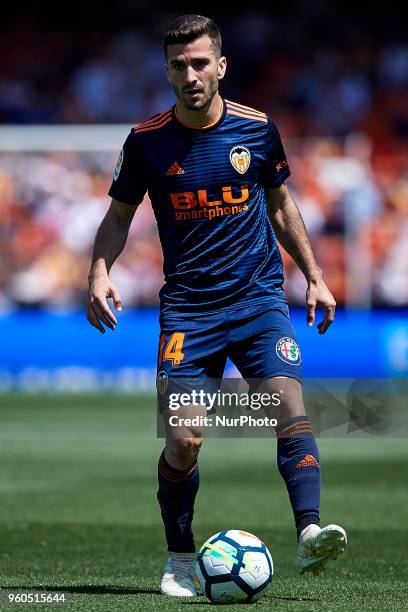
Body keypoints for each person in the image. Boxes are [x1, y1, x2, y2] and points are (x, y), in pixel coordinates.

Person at [86, 14, 347, 597]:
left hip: (259, 301)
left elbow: (281, 206)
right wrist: (100, 269)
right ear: (167, 71)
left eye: (200, 62)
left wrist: (316, 276)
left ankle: (309, 532)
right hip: (188, 312)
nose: (190, 74)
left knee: (288, 408)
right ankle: (179, 559)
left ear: (221, 66)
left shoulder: (257, 130)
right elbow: (119, 216)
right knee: (184, 438)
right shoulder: (147, 142)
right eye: (178, 64)